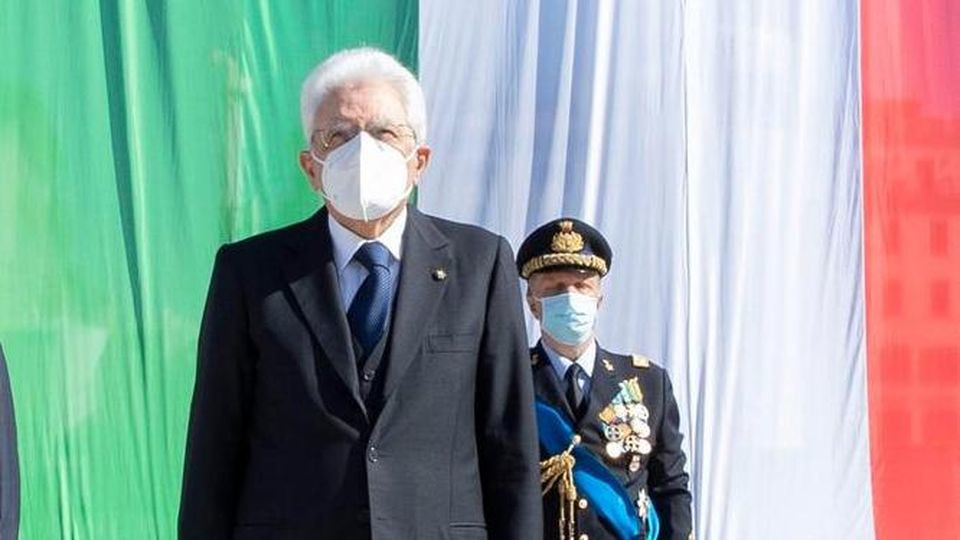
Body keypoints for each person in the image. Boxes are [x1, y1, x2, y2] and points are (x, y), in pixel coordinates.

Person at [179, 47, 541, 539]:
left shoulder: (480, 264)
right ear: (311, 167)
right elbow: (214, 445)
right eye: (339, 136)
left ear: (420, 161)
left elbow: (510, 444)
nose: (363, 151)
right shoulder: (250, 273)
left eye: (385, 133)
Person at [517, 218, 693, 540]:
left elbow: (670, 487)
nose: (570, 296)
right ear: (533, 304)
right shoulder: (509, 380)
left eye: (582, 286)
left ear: (599, 300)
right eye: (555, 288)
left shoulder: (648, 383)